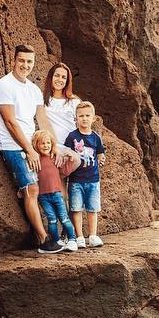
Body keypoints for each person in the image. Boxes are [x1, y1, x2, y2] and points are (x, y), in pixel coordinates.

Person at [0, 44, 52, 251]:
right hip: (14, 146)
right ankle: (43, 238)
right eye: (22, 60)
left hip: (32, 144)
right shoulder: (3, 86)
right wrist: (29, 150)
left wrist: (54, 147)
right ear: (14, 60)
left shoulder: (33, 89)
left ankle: (54, 231)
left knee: (51, 184)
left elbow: (42, 118)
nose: (25, 65)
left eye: (29, 62)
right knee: (31, 189)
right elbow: (10, 123)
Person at [64, 101, 105, 248]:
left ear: (93, 118)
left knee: (92, 208)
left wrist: (101, 159)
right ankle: (79, 236)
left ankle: (93, 235)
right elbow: (67, 153)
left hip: (93, 179)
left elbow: (100, 153)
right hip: (75, 180)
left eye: (88, 115)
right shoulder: (72, 137)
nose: (84, 118)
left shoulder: (95, 137)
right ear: (76, 118)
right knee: (76, 208)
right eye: (81, 116)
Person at [32, 130, 80, 253]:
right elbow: (32, 177)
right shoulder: (35, 160)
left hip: (57, 194)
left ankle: (72, 240)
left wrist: (70, 159)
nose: (46, 145)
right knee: (51, 219)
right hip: (43, 197)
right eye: (42, 143)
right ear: (36, 145)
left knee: (64, 218)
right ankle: (56, 241)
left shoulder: (54, 158)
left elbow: (65, 171)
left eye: (48, 143)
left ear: (52, 144)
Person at [44, 62, 81, 153]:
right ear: (51, 77)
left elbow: (82, 127)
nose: (60, 79)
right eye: (57, 75)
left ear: (67, 81)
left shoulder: (74, 101)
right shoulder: (42, 100)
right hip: (51, 148)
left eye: (64, 77)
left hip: (72, 148)